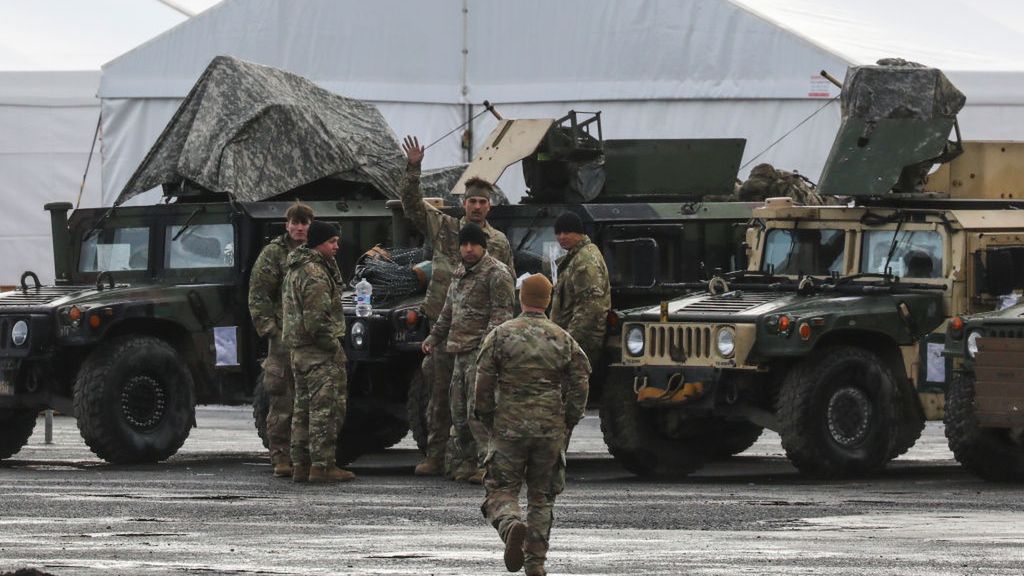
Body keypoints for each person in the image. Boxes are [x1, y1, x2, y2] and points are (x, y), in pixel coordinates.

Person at [401, 135, 516, 477]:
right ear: (463, 204)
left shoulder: (498, 243)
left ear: (489, 206)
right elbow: (411, 204)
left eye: (482, 201)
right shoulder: (445, 229)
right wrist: (413, 168)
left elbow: (507, 288)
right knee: (439, 396)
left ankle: (477, 460)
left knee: (478, 401)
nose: (476, 207)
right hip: (445, 326)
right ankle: (436, 454)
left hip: (481, 336)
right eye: (471, 201)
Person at [474, 273, 591, 576]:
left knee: (501, 489)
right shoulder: (563, 338)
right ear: (548, 301)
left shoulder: (500, 335)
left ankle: (511, 525)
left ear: (521, 299)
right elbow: (581, 379)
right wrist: (569, 418)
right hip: (549, 428)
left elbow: (482, 383)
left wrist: (488, 417)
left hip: (509, 426)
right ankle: (535, 563)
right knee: (542, 497)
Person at [421, 223, 514, 483]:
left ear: (483, 246)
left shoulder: (497, 273)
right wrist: (434, 336)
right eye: (464, 244)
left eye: (473, 244)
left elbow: (501, 316)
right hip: (458, 352)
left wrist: (486, 349)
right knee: (459, 414)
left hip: (480, 353)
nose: (469, 249)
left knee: (480, 413)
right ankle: (466, 463)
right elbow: (449, 311)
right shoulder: (460, 272)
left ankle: (489, 465)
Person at [281, 220, 354, 483]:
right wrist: (333, 347)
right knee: (326, 409)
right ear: (318, 243)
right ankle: (322, 465)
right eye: (331, 241)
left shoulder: (296, 267)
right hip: (318, 353)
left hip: (299, 351)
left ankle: (301, 464)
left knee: (302, 411)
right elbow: (316, 321)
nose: (336, 246)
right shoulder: (314, 273)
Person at [247, 201, 313, 477]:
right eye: (294, 223)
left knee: (309, 401)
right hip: (283, 338)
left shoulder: (316, 252)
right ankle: (280, 456)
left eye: (304, 223)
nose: (299, 228)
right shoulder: (274, 253)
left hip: (310, 337)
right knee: (282, 400)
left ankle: (304, 456)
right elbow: (258, 294)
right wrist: (270, 330)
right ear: (287, 225)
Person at [550, 211, 611, 370]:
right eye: (559, 233)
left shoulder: (585, 261)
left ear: (579, 233)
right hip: (574, 340)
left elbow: (589, 308)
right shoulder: (576, 256)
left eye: (567, 232)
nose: (562, 237)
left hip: (582, 342)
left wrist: (570, 341)